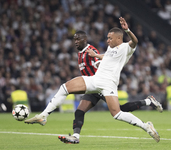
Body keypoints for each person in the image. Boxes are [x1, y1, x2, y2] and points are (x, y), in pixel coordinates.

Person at [25, 17, 161, 143]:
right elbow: (108, 57)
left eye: (110, 38)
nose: (107, 40)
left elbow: (135, 41)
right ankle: (45, 117)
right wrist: (97, 55)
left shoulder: (126, 48)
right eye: (107, 38)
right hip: (96, 80)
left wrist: (127, 30)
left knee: (118, 113)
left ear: (119, 38)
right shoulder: (110, 48)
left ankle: (146, 125)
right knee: (65, 88)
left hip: (109, 84)